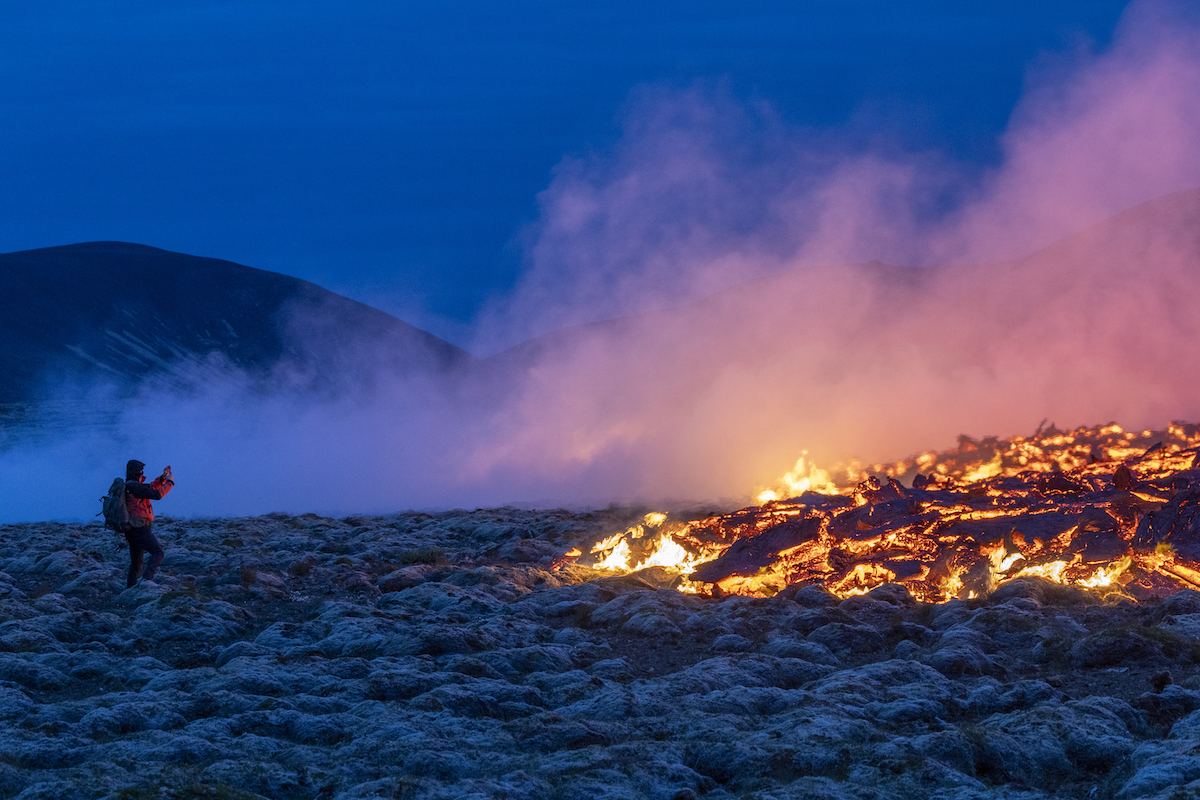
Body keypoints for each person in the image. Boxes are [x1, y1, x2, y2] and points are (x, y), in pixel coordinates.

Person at [124, 460, 175, 588]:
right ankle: (147, 580)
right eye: (141, 470)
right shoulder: (135, 487)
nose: (142, 473)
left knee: (136, 562)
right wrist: (170, 482)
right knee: (158, 552)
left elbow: (151, 487)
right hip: (140, 528)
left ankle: (130, 588)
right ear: (138, 471)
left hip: (131, 529)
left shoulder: (130, 486)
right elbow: (157, 494)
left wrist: (162, 478)